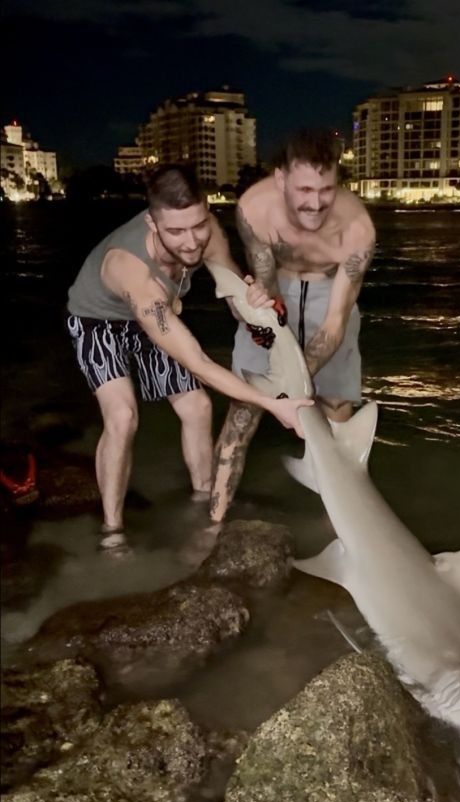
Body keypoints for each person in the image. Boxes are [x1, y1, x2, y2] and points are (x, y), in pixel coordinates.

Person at [66, 163, 312, 551]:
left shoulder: (208, 234)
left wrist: (254, 303)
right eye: (175, 231)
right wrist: (272, 403)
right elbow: (197, 360)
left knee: (197, 407)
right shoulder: (133, 271)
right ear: (152, 224)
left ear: (207, 210)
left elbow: (231, 288)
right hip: (99, 320)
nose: (191, 241)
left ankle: (202, 501)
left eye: (197, 225)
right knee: (122, 416)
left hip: (157, 313)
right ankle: (112, 532)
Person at [209, 128, 376, 523]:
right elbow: (266, 286)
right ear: (280, 179)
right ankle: (214, 519)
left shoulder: (358, 230)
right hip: (274, 291)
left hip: (328, 292)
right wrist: (269, 335)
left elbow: (336, 319)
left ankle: (338, 524)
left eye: (326, 189)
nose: (315, 203)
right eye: (304, 190)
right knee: (244, 408)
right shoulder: (254, 207)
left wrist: (297, 383)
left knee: (336, 405)